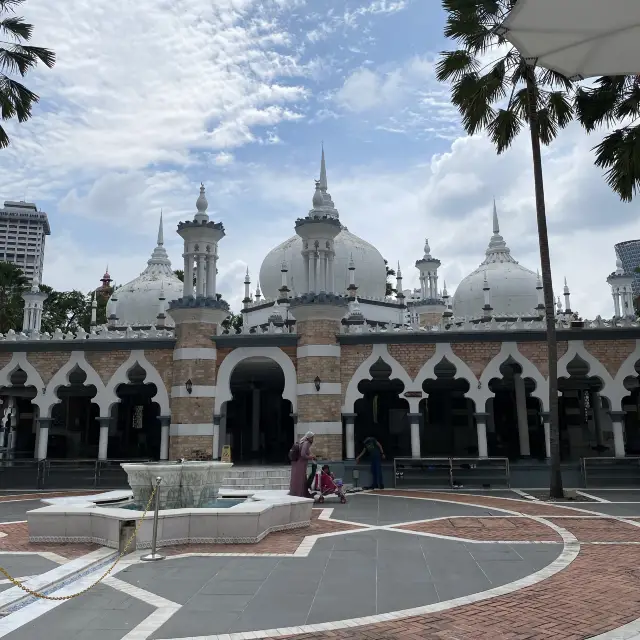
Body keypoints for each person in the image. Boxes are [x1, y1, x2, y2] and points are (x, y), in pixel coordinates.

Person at [289, 431, 315, 498]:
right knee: (301, 479)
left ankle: (304, 493)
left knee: (302, 479)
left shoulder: (302, 442)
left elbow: (306, 452)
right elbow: (303, 454)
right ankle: (300, 494)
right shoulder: (306, 443)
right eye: (312, 437)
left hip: (298, 463)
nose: (312, 439)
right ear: (309, 437)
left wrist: (310, 455)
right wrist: (310, 457)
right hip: (300, 464)